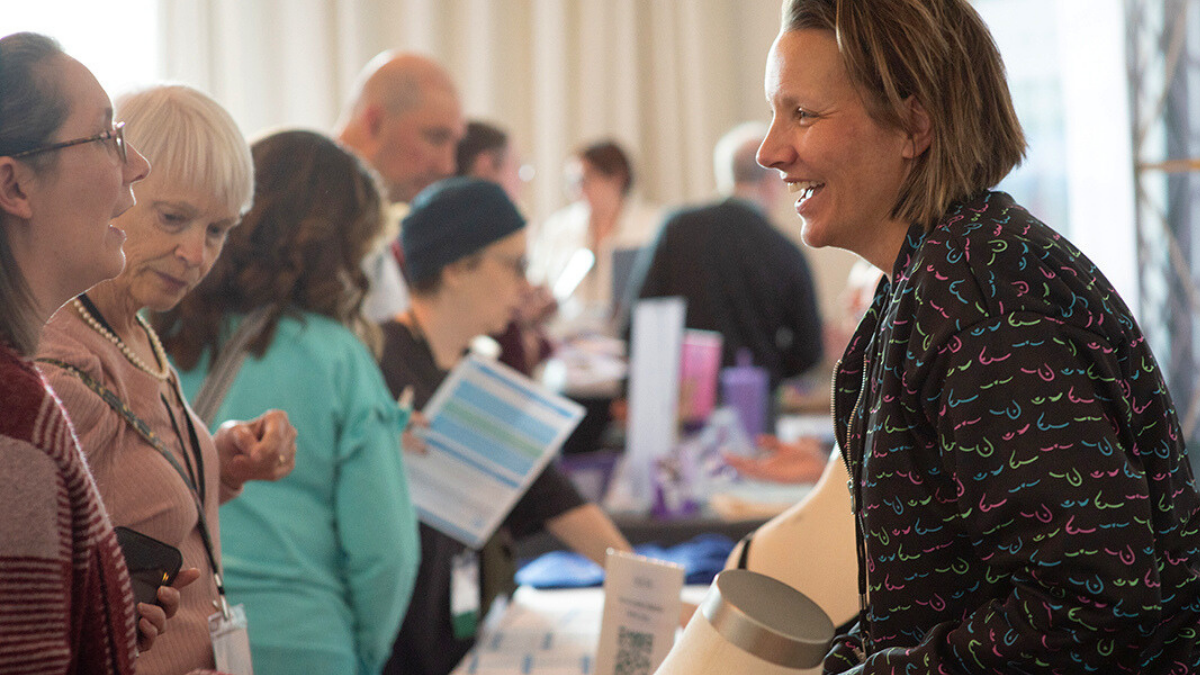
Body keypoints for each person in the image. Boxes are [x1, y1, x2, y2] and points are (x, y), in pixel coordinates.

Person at [757, 0, 1200, 671]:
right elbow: (932, 600)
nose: (770, 150)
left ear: (913, 123)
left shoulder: (982, 303)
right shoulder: (933, 280)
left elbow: (1089, 607)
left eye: (803, 114)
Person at [37, 84, 298, 675]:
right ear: (113, 188)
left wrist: (221, 461)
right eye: (174, 218)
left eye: (217, 230)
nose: (194, 253)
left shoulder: (132, 332)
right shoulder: (62, 359)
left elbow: (139, 500)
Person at [159, 129, 421, 675]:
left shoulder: (147, 334)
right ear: (346, 247)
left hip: (173, 638)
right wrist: (364, 656)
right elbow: (387, 554)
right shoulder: (340, 359)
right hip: (307, 641)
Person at [377, 177, 632, 675]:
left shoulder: (472, 369)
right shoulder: (377, 363)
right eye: (514, 264)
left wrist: (646, 587)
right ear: (456, 267)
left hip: (453, 637)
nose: (525, 284)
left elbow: (548, 493)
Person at [0, 31, 171, 675]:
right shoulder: (13, 418)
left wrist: (94, 611)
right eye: (106, 138)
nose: (137, 166)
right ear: (15, 186)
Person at [627, 121, 824, 390]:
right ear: (771, 181)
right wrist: (766, 370)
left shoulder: (676, 228)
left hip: (681, 398)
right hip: (756, 406)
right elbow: (810, 350)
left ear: (726, 175)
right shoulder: (786, 251)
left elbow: (638, 317)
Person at [337, 50, 466, 322]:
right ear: (375, 124)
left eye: (455, 143)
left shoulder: (367, 215)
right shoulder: (309, 220)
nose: (448, 166)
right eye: (436, 138)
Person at [529, 139, 661, 336]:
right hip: (565, 339)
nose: (577, 191)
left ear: (617, 178)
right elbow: (538, 279)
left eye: (584, 180)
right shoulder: (558, 227)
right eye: (571, 183)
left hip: (628, 337)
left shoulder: (653, 225)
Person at [456, 119, 555, 376]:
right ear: (486, 165)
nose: (521, 182)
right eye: (518, 169)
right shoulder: (482, 231)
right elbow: (516, 357)